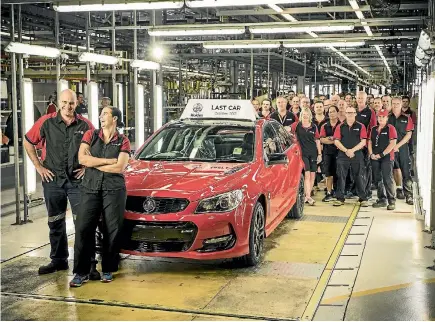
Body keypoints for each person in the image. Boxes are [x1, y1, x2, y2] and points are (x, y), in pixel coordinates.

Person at [23, 89, 95, 274]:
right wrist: (39, 167)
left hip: (78, 182)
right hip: (53, 180)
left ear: (76, 104)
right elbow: (28, 142)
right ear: (58, 103)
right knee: (55, 222)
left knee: (84, 223)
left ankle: (88, 263)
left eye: (71, 103)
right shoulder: (46, 122)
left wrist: (87, 167)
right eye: (64, 102)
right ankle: (58, 260)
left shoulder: (86, 125)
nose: (67, 106)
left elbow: (98, 147)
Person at [71, 107, 130, 287]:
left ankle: (108, 269)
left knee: (111, 230)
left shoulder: (123, 140)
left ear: (115, 119)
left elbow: (120, 167)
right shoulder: (91, 135)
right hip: (90, 187)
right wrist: (108, 161)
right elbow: (82, 159)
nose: (100, 117)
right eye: (101, 114)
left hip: (114, 189)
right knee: (83, 228)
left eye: (105, 114)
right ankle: (81, 272)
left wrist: (94, 163)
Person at [333, 105, 369, 207]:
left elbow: (363, 141)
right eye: (348, 113)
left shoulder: (361, 126)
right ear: (345, 114)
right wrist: (346, 150)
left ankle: (363, 198)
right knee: (341, 176)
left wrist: (352, 150)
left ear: (355, 114)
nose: (350, 114)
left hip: (357, 154)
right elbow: (336, 141)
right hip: (342, 155)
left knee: (359, 176)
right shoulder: (340, 126)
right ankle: (340, 198)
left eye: (352, 113)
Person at [291, 108, 322, 206]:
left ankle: (307, 196)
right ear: (301, 115)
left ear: (310, 115)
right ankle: (307, 196)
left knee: (313, 175)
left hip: (313, 153)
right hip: (302, 154)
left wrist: (320, 154)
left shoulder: (314, 127)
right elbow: (287, 129)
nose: (305, 116)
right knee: (307, 175)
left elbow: (317, 141)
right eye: (303, 114)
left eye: (307, 114)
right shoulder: (296, 125)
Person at [369, 109, 397, 210]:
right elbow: (370, 142)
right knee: (378, 179)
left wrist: (381, 154)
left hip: (387, 157)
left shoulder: (390, 128)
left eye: (383, 117)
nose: (381, 118)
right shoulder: (373, 129)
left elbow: (392, 143)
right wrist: (371, 153)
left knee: (387, 178)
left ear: (387, 118)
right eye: (379, 117)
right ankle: (382, 199)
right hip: (375, 157)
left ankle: (391, 201)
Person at [388, 97, 414, 205]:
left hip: (402, 148)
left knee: (405, 170)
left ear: (401, 104)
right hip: (390, 148)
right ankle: (398, 190)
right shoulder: (387, 118)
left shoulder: (407, 118)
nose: (395, 105)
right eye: (393, 103)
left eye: (397, 103)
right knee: (393, 170)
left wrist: (397, 145)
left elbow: (408, 135)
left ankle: (409, 195)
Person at [355, 91, 377, 199]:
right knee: (356, 169)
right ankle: (357, 190)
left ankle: (367, 191)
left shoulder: (370, 112)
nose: (360, 100)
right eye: (358, 98)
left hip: (365, 145)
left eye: (362, 98)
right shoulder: (353, 111)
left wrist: (369, 145)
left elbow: (373, 129)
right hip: (354, 145)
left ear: (365, 100)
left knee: (366, 169)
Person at [320, 105, 340, 202]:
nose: (331, 113)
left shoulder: (342, 125)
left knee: (338, 173)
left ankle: (337, 192)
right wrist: (334, 140)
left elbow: (343, 139)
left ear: (337, 113)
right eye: (330, 112)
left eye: (333, 111)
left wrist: (332, 139)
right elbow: (322, 139)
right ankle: (329, 192)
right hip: (328, 153)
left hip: (339, 153)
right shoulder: (325, 126)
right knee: (328, 174)